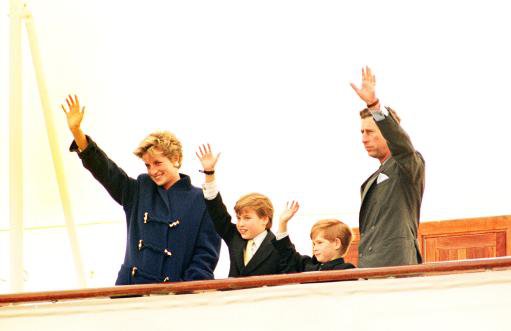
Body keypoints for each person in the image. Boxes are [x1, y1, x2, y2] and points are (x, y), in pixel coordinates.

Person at [61, 95, 221, 285]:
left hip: (176, 299)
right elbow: (105, 170)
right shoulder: (138, 191)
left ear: (176, 158)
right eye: (147, 165)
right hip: (131, 293)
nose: (153, 171)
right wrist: (77, 132)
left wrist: (185, 291)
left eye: (158, 163)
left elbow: (205, 255)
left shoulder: (202, 201)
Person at [350, 67, 425, 268]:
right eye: (362, 132)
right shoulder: (373, 177)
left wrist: (374, 106)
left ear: (387, 132)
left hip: (396, 265)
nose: (364, 138)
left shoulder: (408, 164)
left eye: (370, 132)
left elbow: (402, 145)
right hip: (371, 267)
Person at [196, 144, 282, 277]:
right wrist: (209, 173)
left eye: (247, 218)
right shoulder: (234, 236)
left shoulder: (280, 247)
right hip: (235, 297)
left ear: (265, 219)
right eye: (239, 218)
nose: (240, 224)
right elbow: (216, 210)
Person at [273, 201, 355, 272]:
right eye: (314, 244)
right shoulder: (308, 265)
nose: (315, 248)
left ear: (336, 243)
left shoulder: (346, 270)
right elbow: (288, 254)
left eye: (320, 242)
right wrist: (282, 223)